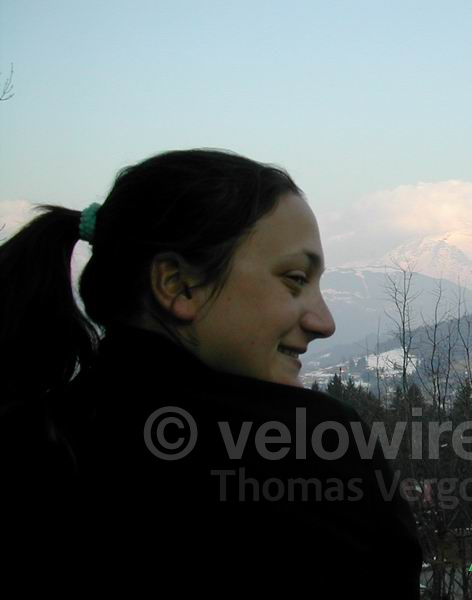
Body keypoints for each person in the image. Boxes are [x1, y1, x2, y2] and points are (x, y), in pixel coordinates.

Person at [0, 149, 422, 596]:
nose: (324, 321)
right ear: (179, 286)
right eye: (296, 279)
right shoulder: (311, 447)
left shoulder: (28, 440)